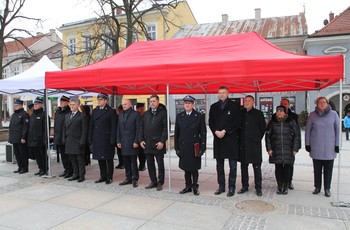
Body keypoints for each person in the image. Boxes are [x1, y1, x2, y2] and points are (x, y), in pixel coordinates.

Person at [209, 86, 241, 197]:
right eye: (220, 93)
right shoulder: (213, 107)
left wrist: (225, 131)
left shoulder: (235, 106)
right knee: (219, 166)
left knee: (233, 166)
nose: (221, 94)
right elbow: (211, 122)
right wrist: (216, 131)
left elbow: (237, 122)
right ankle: (221, 187)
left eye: (223, 93)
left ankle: (231, 187)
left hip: (230, 138)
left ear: (228, 93)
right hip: (218, 139)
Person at [305, 97, 340, 197]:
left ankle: (327, 188)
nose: (322, 104)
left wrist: (337, 144)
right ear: (317, 104)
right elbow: (308, 131)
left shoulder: (334, 114)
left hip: (330, 147)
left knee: (328, 169)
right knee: (317, 169)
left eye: (324, 102)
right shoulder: (312, 115)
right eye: (320, 102)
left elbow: (338, 131)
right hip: (316, 146)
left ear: (327, 103)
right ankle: (317, 187)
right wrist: (307, 144)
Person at [175, 95, 206, 196]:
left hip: (194, 146)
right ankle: (188, 186)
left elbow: (203, 133)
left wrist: (203, 148)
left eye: (189, 103)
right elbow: (176, 133)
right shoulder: (179, 116)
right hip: (184, 146)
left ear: (193, 105)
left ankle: (195, 186)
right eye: (185, 103)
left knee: (194, 168)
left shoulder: (199, 116)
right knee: (186, 168)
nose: (187, 105)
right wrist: (176, 148)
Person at [265, 105, 301, 195]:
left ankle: (285, 186)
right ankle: (279, 185)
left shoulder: (291, 122)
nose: (279, 113)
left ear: (285, 113)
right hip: (276, 149)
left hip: (288, 149)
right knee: (278, 168)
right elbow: (268, 137)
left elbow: (297, 135)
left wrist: (295, 148)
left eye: (281, 111)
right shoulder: (272, 122)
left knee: (287, 168)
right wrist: (269, 149)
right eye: (278, 111)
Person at [237, 95, 266, 196]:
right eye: (245, 101)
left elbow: (263, 129)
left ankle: (258, 188)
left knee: (256, 168)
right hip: (243, 145)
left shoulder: (258, 114)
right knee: (243, 167)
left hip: (254, 145)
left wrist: (257, 138)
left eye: (249, 101)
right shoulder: (240, 113)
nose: (247, 103)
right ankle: (245, 186)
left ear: (253, 102)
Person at [139, 94, 168, 191]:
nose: (152, 103)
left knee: (160, 164)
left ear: (158, 102)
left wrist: (162, 141)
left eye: (154, 101)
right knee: (150, 164)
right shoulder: (146, 114)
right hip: (147, 143)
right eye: (150, 101)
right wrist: (141, 140)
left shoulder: (163, 113)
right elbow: (141, 128)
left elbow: (165, 129)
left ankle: (160, 182)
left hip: (158, 144)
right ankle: (153, 181)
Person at [89, 93, 117, 185]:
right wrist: (90, 138)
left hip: (107, 139)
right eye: (98, 99)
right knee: (100, 159)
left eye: (101, 100)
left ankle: (109, 176)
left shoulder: (111, 111)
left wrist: (113, 140)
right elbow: (91, 126)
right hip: (97, 138)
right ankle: (102, 176)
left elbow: (114, 127)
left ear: (106, 100)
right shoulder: (95, 111)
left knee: (108, 159)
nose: (99, 101)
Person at [63, 98, 88, 182]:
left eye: (73, 104)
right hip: (69, 141)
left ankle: (81, 175)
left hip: (78, 141)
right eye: (70, 104)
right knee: (72, 159)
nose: (72, 106)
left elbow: (84, 130)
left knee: (80, 160)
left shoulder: (82, 116)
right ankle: (75, 174)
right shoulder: (67, 116)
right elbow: (64, 129)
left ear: (78, 105)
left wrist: (83, 141)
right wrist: (64, 139)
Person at [117, 99, 141, 187]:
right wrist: (118, 141)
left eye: (125, 104)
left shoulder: (136, 114)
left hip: (132, 142)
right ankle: (128, 178)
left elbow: (138, 129)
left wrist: (136, 141)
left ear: (130, 104)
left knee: (133, 161)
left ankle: (135, 179)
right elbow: (118, 129)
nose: (124, 106)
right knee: (126, 161)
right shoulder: (120, 115)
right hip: (123, 142)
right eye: (122, 104)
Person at [280, 98, 299, 190]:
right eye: (282, 103)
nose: (283, 105)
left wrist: (296, 147)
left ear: (288, 105)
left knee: (289, 165)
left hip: (290, 145)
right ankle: (280, 183)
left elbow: (297, 133)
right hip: (279, 144)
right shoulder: (275, 115)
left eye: (285, 103)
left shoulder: (294, 116)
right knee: (279, 165)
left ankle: (289, 182)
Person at [28, 97, 48, 176]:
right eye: (34, 104)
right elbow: (30, 128)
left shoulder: (44, 115)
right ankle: (40, 168)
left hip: (40, 140)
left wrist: (44, 139)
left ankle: (45, 169)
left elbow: (46, 129)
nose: (35, 106)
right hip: (33, 139)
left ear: (41, 104)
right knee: (37, 156)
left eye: (37, 104)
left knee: (42, 155)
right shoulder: (33, 114)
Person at [54, 95, 73, 178]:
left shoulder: (69, 112)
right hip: (58, 137)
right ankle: (66, 169)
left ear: (67, 102)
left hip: (66, 137)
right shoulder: (58, 111)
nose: (61, 103)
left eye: (63, 101)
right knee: (63, 156)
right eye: (61, 101)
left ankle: (70, 170)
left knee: (68, 156)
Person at [9, 99, 29, 174]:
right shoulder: (14, 115)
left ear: (21, 105)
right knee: (17, 154)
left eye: (16, 105)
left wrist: (23, 137)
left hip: (21, 138)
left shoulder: (24, 114)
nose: (15, 107)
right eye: (14, 105)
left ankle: (25, 168)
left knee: (23, 153)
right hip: (14, 138)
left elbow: (25, 127)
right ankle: (20, 167)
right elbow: (12, 127)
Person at [136, 102, 146, 171]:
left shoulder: (145, 115)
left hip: (144, 137)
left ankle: (142, 165)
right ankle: (141, 165)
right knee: (139, 152)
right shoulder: (137, 115)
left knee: (142, 153)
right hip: (138, 136)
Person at [115, 105, 124, 169]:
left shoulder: (124, 116)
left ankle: (123, 163)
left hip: (124, 137)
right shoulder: (117, 117)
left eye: (120, 111)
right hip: (118, 137)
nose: (119, 112)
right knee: (119, 152)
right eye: (118, 111)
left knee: (123, 152)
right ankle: (121, 163)